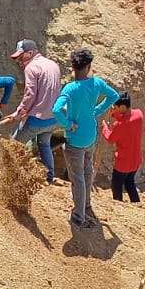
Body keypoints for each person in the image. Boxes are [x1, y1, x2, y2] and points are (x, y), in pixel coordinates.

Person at [53, 49, 120, 228]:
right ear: (89, 66)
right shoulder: (97, 83)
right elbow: (114, 96)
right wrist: (97, 111)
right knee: (87, 170)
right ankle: (87, 204)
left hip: (75, 138)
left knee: (77, 178)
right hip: (90, 135)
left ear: (73, 68)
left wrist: (67, 124)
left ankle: (79, 215)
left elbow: (56, 110)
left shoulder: (71, 88)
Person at [0, 39, 62, 184]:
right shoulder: (53, 65)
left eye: (21, 56)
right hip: (53, 118)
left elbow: (30, 94)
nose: (19, 60)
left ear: (30, 53)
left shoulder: (31, 67)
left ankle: (10, 179)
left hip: (37, 119)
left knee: (13, 145)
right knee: (44, 144)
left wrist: (18, 113)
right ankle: (49, 177)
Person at [99, 91, 145, 203]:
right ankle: (136, 204)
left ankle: (118, 204)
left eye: (116, 106)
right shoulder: (139, 114)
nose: (114, 107)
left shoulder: (120, 125)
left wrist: (104, 127)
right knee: (130, 183)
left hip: (123, 163)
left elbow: (110, 138)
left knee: (117, 185)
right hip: (135, 160)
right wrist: (115, 114)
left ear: (123, 106)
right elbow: (126, 120)